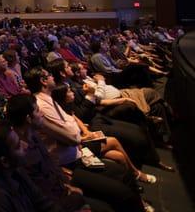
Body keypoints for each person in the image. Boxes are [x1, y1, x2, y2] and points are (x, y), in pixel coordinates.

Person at [23, 67, 153, 212]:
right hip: (71, 159)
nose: (52, 77)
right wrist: (75, 129)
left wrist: (75, 129)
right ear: (43, 81)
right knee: (120, 176)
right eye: (49, 75)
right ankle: (136, 200)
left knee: (120, 159)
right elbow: (73, 135)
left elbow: (71, 120)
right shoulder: (41, 105)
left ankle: (138, 198)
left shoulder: (48, 98)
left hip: (76, 150)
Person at [50, 84, 158, 185]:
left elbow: (75, 118)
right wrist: (84, 136)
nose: (72, 91)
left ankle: (133, 182)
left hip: (84, 136)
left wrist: (86, 131)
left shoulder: (66, 107)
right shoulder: (57, 113)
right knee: (114, 141)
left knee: (119, 156)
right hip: (77, 147)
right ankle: (136, 173)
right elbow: (76, 124)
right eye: (69, 91)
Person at [0, 122, 60, 212]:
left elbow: (44, 204)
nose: (26, 145)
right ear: (5, 161)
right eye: (18, 146)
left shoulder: (16, 171)